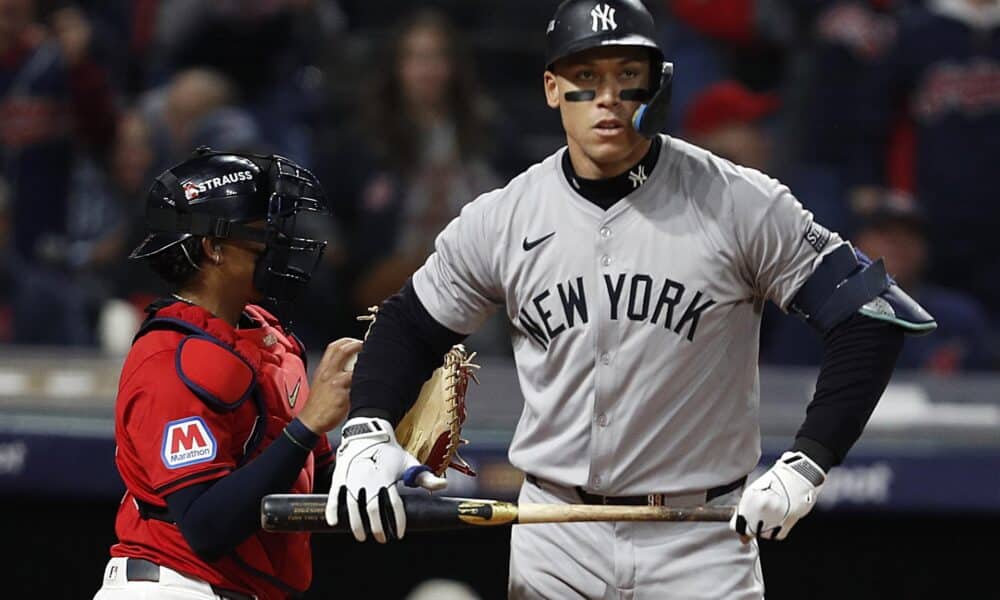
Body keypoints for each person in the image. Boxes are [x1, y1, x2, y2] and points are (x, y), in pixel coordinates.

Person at [323, 1, 935, 598]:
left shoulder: (738, 202)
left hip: (700, 538)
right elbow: (410, 324)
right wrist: (368, 428)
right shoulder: (504, 216)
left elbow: (868, 315)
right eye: (585, 78)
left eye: (626, 76)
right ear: (551, 88)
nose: (607, 97)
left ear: (656, 86)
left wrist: (809, 461)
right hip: (556, 535)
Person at [93, 148, 362, 600]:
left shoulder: (268, 337)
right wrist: (307, 425)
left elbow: (310, 489)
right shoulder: (169, 359)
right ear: (212, 247)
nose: (278, 244)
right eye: (261, 234)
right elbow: (205, 525)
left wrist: (388, 467)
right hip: (172, 588)